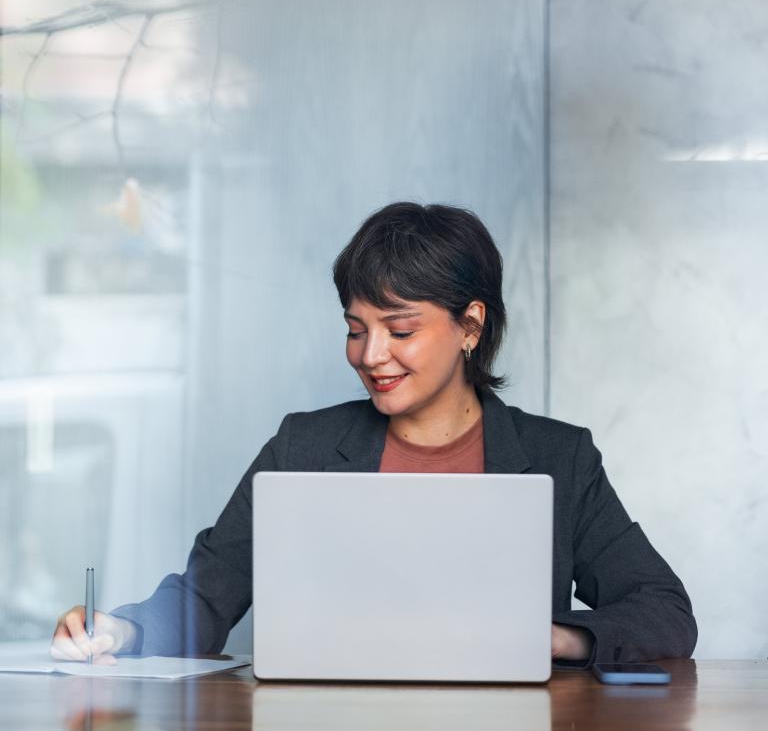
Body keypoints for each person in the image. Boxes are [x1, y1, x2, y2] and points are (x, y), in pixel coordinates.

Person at [52, 202, 697, 667]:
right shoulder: (302, 448)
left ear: (471, 326)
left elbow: (664, 611)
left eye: (401, 330)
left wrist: (553, 639)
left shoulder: (561, 458)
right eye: (356, 329)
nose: (371, 355)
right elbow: (206, 595)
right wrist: (123, 630)